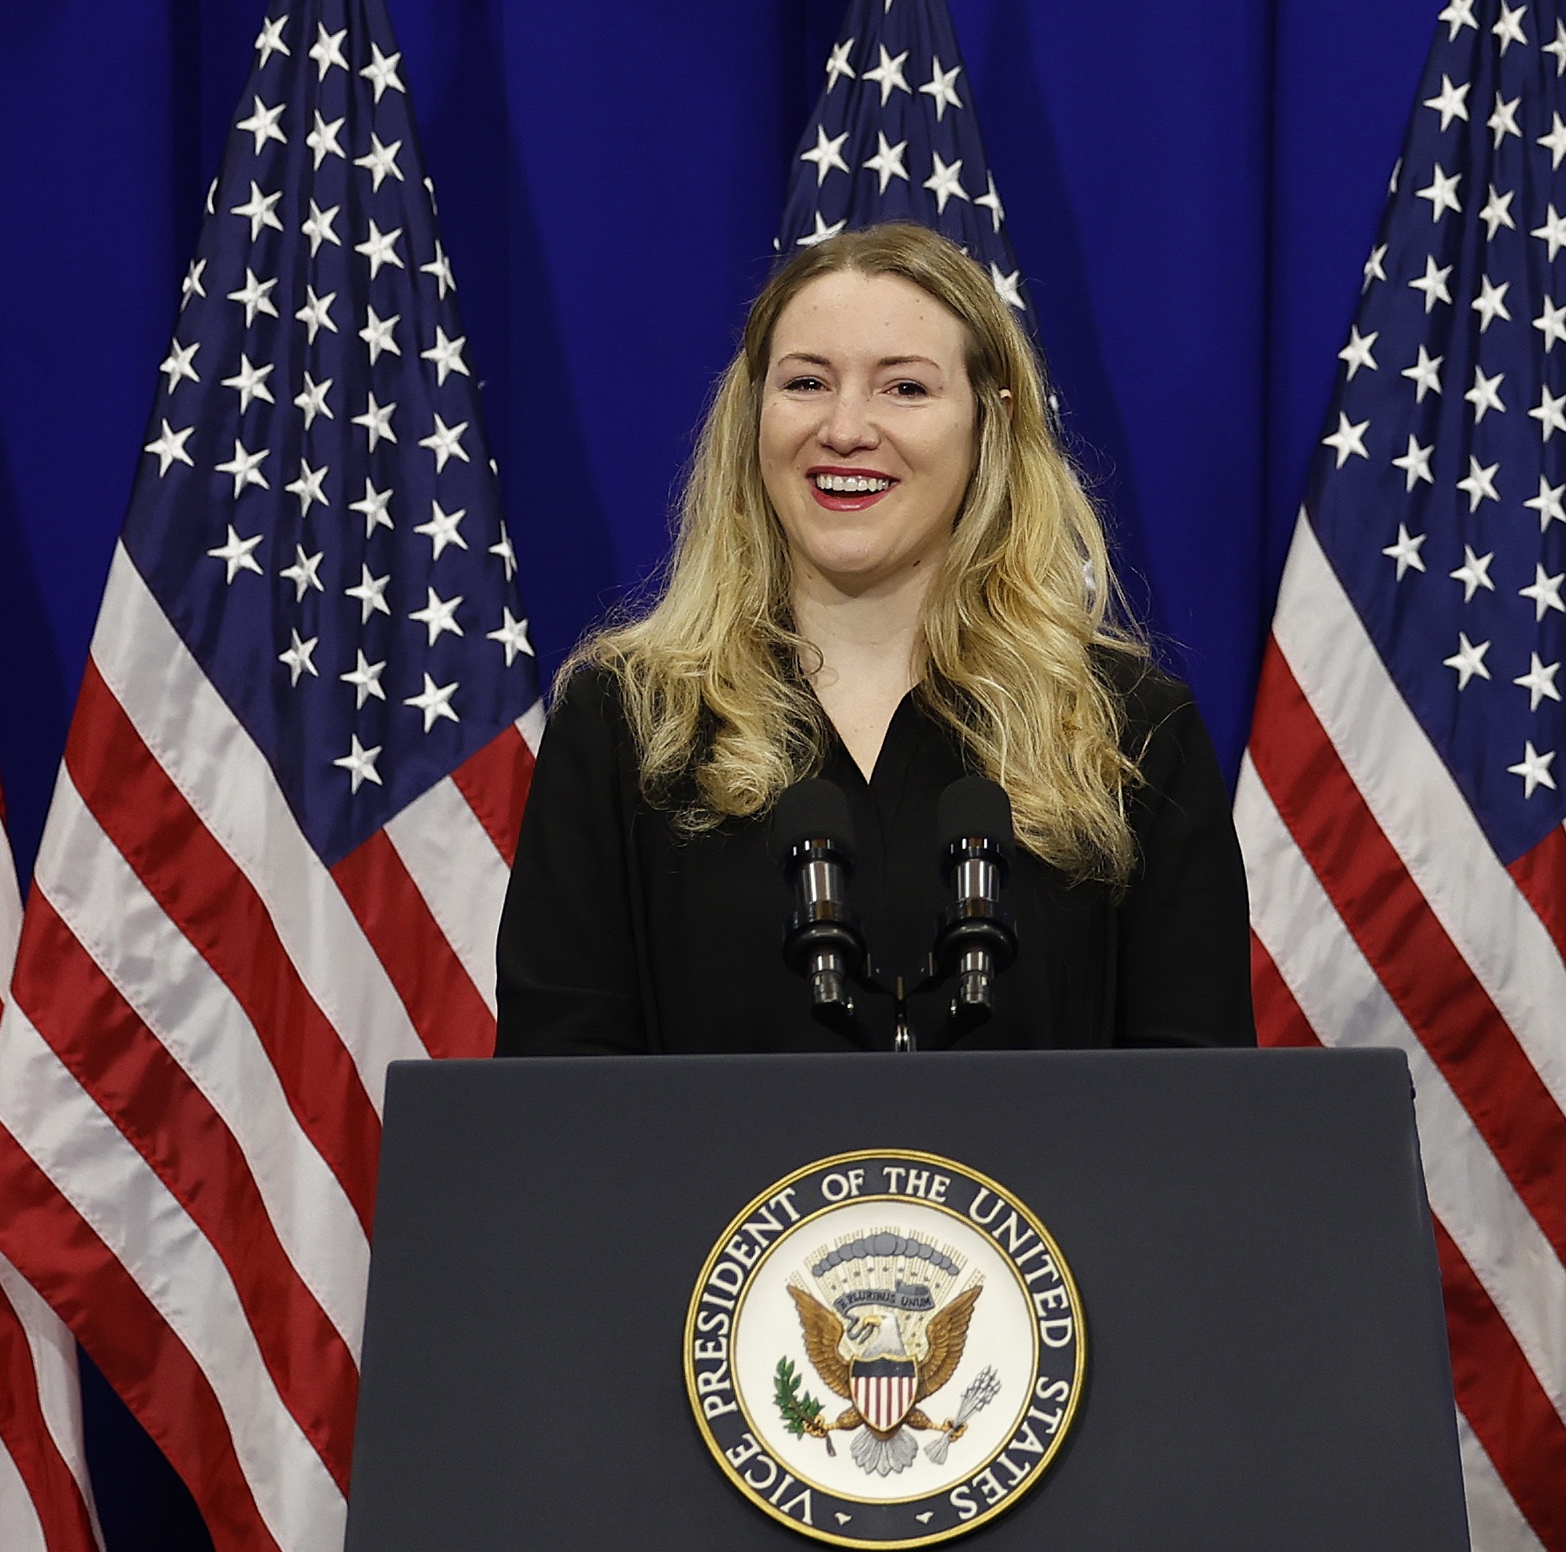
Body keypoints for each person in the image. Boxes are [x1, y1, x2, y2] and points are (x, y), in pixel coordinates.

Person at [495, 221, 1249, 1052]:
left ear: (988, 424)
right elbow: (557, 1088)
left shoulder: (1130, 731)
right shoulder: (628, 721)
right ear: (753, 414)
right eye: (806, 383)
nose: (846, 427)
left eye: (905, 388)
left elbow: (1197, 1100)